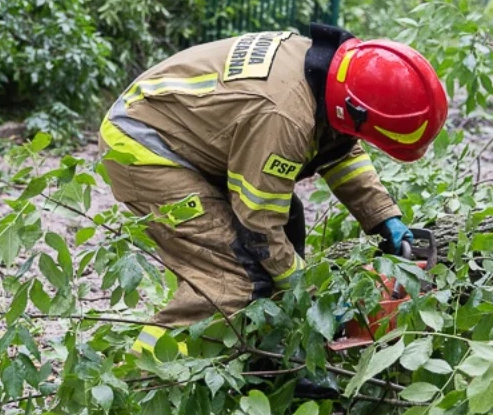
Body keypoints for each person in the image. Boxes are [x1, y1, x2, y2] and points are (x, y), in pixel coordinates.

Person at [98, 24, 448, 352]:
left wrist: (382, 218)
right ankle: (145, 378)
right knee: (234, 282)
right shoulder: (284, 116)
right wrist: (309, 297)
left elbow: (340, 152)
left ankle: (266, 350)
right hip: (144, 147)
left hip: (189, 136)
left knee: (287, 221)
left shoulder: (332, 78)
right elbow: (260, 226)